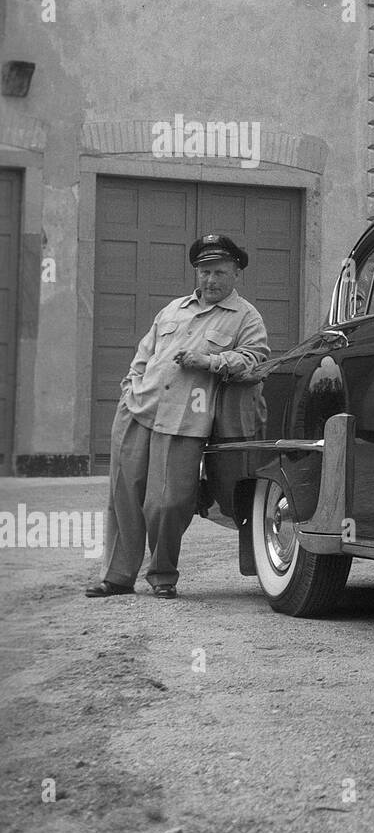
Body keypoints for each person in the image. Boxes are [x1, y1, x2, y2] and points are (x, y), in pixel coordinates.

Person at [86, 234, 269, 599]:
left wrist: (212, 361)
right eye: (203, 271)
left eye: (219, 272)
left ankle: (163, 573)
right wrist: (129, 386)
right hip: (137, 410)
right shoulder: (172, 310)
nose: (210, 280)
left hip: (188, 419)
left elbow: (256, 361)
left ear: (236, 273)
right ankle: (118, 577)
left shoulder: (246, 317)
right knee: (124, 496)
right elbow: (144, 354)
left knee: (168, 501)